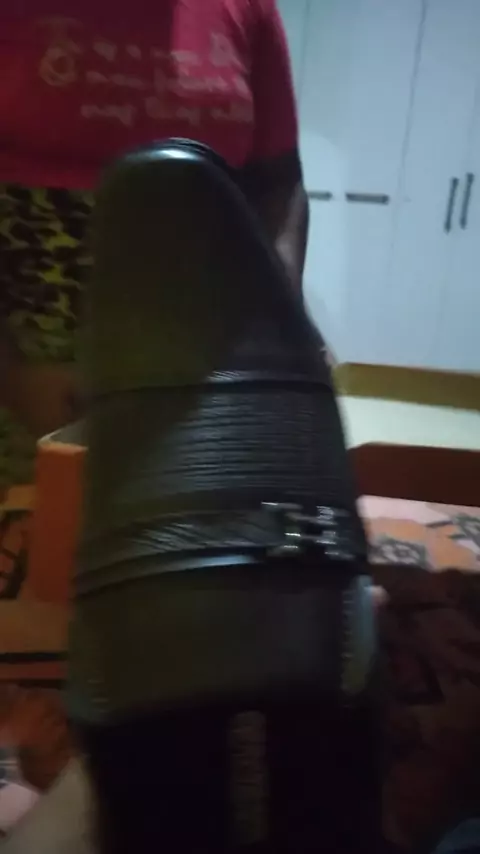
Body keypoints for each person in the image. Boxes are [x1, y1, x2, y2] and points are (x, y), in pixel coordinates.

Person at [0, 0, 309, 487]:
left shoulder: (247, 8)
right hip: (36, 379)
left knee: (184, 528)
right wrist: (12, 374)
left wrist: (281, 331)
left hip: (197, 378)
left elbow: (280, 184)